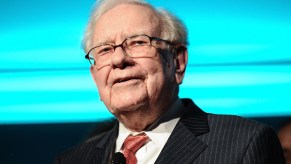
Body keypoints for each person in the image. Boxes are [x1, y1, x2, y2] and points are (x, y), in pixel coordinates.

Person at [55, 0, 285, 163]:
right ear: (95, 76)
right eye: (104, 49)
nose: (118, 59)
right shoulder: (72, 159)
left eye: (137, 42)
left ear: (177, 61)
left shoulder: (245, 143)